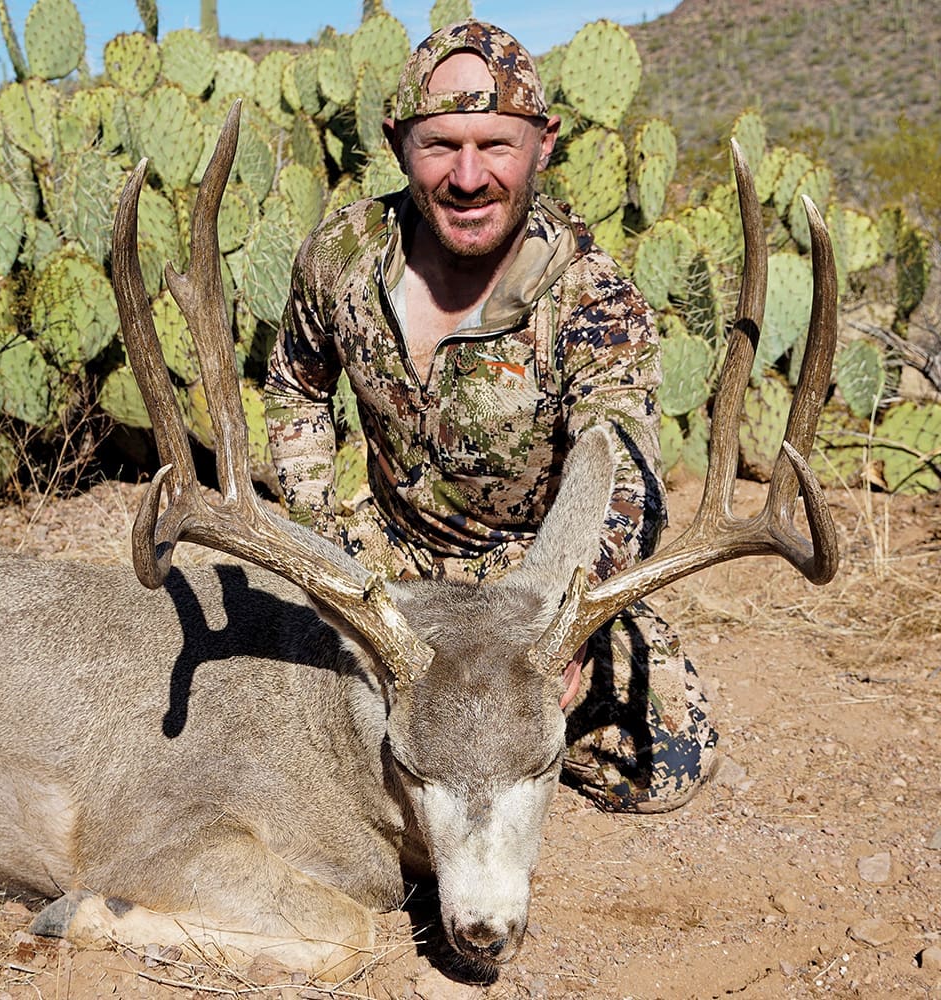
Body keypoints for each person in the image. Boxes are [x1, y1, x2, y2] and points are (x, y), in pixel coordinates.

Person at [261, 21, 715, 814]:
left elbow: (624, 476)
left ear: (543, 143)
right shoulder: (342, 255)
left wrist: (565, 619)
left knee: (670, 755)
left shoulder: (592, 297)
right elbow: (295, 387)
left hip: (529, 588)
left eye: (496, 145)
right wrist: (325, 548)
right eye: (442, 145)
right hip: (384, 567)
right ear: (399, 142)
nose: (469, 176)